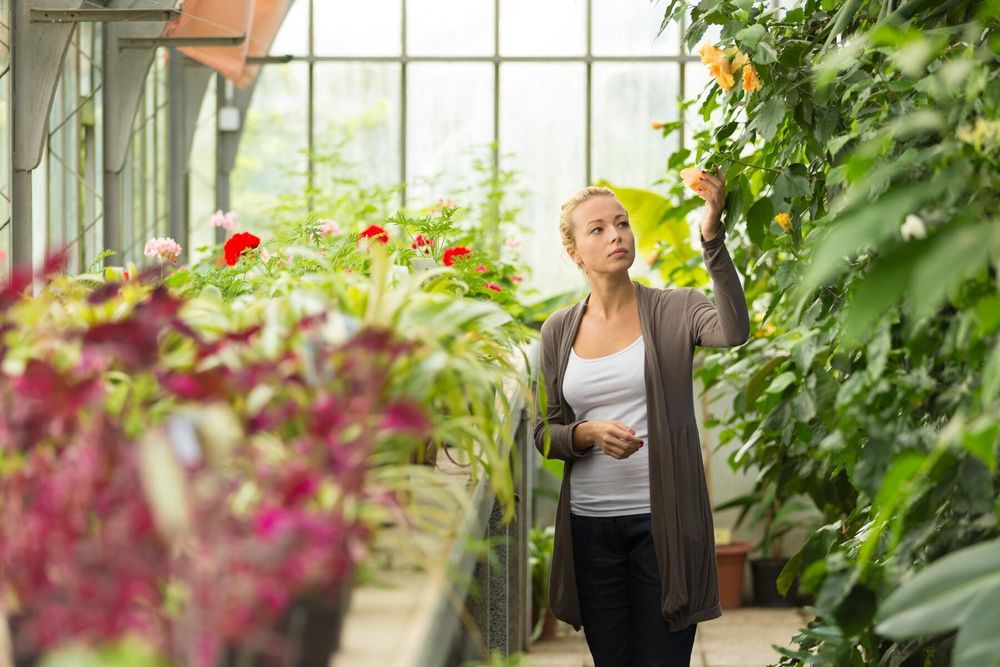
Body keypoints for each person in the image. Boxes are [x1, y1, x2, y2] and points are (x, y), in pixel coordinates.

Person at [533, 172, 750, 667]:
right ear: (574, 253)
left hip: (664, 526)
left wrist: (712, 237)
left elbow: (734, 330)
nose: (616, 235)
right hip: (590, 530)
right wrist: (587, 433)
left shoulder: (677, 309)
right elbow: (545, 434)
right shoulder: (557, 330)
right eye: (598, 229)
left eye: (622, 223)